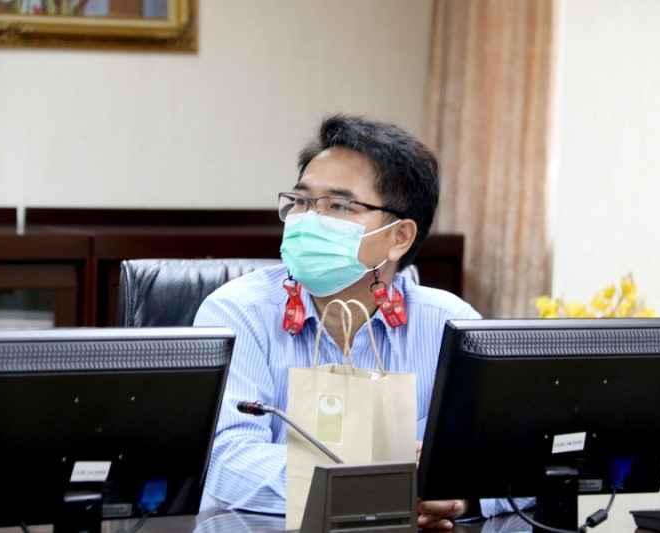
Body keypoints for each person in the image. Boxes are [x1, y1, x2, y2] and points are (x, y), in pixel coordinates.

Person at [194, 114, 518, 529]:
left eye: (338, 206)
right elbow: (225, 465)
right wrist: (384, 481)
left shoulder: (449, 324)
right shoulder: (236, 312)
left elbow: (520, 463)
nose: (308, 219)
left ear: (399, 237)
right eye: (301, 202)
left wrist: (461, 495)